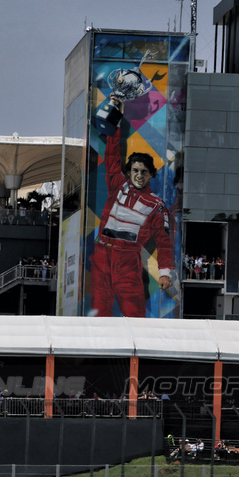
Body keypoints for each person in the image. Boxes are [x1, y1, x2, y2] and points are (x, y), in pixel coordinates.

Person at [90, 92, 174, 317]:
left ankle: (137, 352)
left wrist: (165, 273)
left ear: (150, 175)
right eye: (135, 170)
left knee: (135, 316)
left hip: (128, 261)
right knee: (98, 314)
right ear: (129, 172)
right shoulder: (118, 184)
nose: (139, 175)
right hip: (101, 256)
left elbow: (164, 243)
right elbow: (112, 154)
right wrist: (116, 118)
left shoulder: (156, 205)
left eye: (144, 172)